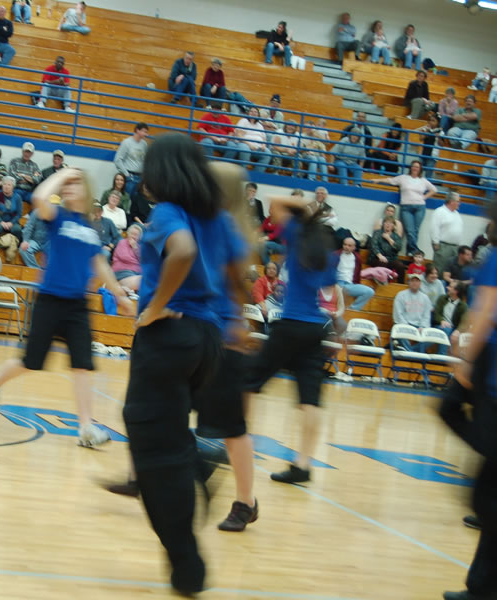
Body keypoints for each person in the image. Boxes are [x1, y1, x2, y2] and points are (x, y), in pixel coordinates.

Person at [119, 136, 247, 595]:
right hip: (207, 339)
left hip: (169, 337)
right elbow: (239, 272)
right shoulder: (219, 216)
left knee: (153, 454)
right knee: (162, 435)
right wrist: (235, 321)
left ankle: (187, 566)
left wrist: (155, 307)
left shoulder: (167, 212)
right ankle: (195, 460)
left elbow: (184, 252)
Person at [0, 167, 132, 432]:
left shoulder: (91, 228)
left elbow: (100, 264)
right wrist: (64, 174)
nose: (69, 188)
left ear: (87, 190)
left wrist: (120, 295)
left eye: (76, 184)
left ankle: (86, 427)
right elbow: (39, 198)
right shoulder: (58, 215)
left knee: (83, 365)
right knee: (31, 362)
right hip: (49, 301)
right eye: (67, 185)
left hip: (77, 306)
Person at [244, 192, 337, 486]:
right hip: (316, 329)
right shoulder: (326, 250)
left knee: (249, 382)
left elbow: (275, 202)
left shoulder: (297, 233)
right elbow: (330, 287)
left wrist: (305, 207)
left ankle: (237, 441)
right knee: (310, 400)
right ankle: (303, 465)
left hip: (292, 324)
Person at [439, 202, 497, 600]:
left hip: (491, 370)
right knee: (489, 488)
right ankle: (480, 586)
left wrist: (465, 361)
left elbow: (486, 312)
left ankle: (481, 586)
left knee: (485, 494)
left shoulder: (494, 259)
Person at [371, 160, 437, 255]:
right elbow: (391, 180)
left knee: (415, 230)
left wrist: (424, 197)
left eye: (417, 167)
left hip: (420, 207)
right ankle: (413, 250)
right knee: (410, 230)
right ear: (411, 168)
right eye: (413, 166)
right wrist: (378, 180)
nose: (415, 168)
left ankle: (410, 251)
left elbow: (434, 189)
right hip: (406, 207)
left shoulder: (423, 180)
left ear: (420, 169)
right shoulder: (403, 178)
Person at [392, 273, 433, 350]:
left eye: (417, 281)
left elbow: (426, 316)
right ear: (409, 282)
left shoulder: (425, 298)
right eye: (412, 280)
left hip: (419, 326)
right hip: (404, 324)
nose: (414, 283)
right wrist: (406, 326)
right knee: (399, 331)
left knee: (432, 338)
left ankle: (409, 351)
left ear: (420, 283)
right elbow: (398, 314)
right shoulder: (400, 295)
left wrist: (422, 327)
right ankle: (412, 353)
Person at [335, 237, 375, 310]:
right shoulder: (335, 255)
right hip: (337, 284)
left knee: (370, 291)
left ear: (354, 247)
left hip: (350, 285)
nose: (346, 247)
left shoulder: (357, 257)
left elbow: (357, 275)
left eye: (349, 245)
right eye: (345, 244)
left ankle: (352, 309)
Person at [430, 192, 464, 277]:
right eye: (458, 201)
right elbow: (434, 227)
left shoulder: (457, 214)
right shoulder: (439, 211)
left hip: (455, 247)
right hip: (443, 246)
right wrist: (435, 242)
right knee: (440, 269)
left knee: (452, 272)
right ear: (451, 201)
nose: (459, 203)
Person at [114, 123, 149, 199]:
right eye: (144, 132)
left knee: (137, 201)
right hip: (129, 177)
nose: (146, 134)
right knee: (127, 200)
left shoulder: (144, 144)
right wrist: (126, 174)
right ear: (137, 130)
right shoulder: (127, 142)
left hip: (140, 177)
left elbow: (145, 160)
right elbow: (118, 160)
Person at [368, 216, 406, 282]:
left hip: (391, 259)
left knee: (400, 266)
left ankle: (400, 285)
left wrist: (389, 239)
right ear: (383, 224)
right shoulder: (377, 233)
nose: (388, 224)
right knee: (383, 264)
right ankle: (383, 283)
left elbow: (398, 248)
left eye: (390, 223)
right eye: (386, 222)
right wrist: (380, 255)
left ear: (393, 226)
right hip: (377, 258)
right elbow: (373, 246)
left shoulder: (396, 236)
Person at [233, 107, 271, 171]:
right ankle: (243, 172)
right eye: (251, 111)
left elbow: (264, 138)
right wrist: (249, 144)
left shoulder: (260, 125)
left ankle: (257, 173)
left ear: (258, 115)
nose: (253, 113)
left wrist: (263, 145)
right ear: (248, 113)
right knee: (245, 150)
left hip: (257, 147)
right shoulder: (244, 121)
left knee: (267, 154)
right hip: (244, 144)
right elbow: (239, 135)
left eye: (255, 112)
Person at [112, 222, 142, 292]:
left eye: (136, 235)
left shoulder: (140, 247)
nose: (134, 236)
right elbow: (124, 257)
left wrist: (135, 247)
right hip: (122, 271)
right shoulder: (122, 242)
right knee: (141, 281)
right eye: (132, 234)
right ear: (128, 234)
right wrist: (136, 262)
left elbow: (143, 260)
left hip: (137, 272)